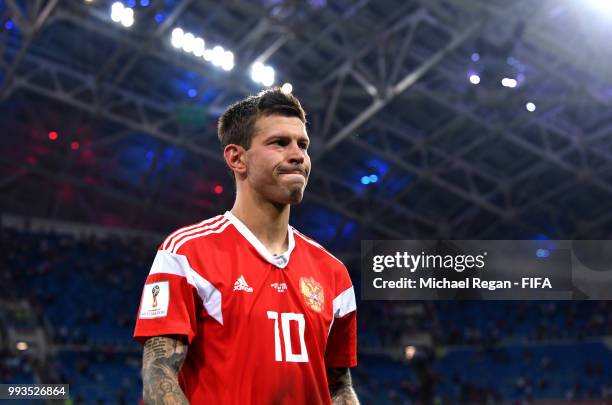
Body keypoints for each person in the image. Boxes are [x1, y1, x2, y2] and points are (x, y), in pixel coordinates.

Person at [133, 88, 359, 404]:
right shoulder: (186, 254)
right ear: (237, 158)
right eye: (280, 143)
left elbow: (339, 385)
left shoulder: (334, 274)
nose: (298, 155)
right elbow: (159, 373)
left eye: (303, 145)